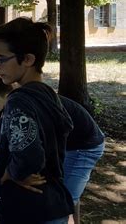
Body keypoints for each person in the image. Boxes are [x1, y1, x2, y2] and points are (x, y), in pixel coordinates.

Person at [0, 17, 74, 223]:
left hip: (31, 209)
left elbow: (30, 155)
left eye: (0, 59)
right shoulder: (47, 93)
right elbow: (67, 126)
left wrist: (12, 172)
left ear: (28, 59)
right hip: (53, 205)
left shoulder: (19, 101)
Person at [58, 95, 105, 224]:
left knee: (63, 204)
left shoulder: (27, 103)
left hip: (84, 148)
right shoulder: (30, 97)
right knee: (68, 195)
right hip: (75, 144)